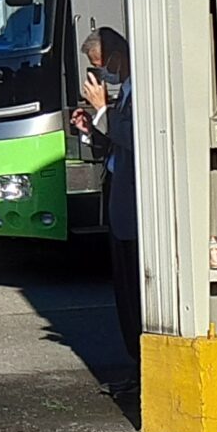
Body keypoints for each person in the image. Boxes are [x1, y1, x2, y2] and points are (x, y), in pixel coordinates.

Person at [70, 27, 139, 376]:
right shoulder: (121, 95)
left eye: (100, 66)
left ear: (116, 56)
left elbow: (134, 138)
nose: (99, 75)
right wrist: (91, 126)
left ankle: (141, 363)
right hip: (117, 198)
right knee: (123, 291)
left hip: (133, 207)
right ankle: (134, 363)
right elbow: (112, 145)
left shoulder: (141, 92)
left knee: (135, 291)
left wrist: (102, 113)